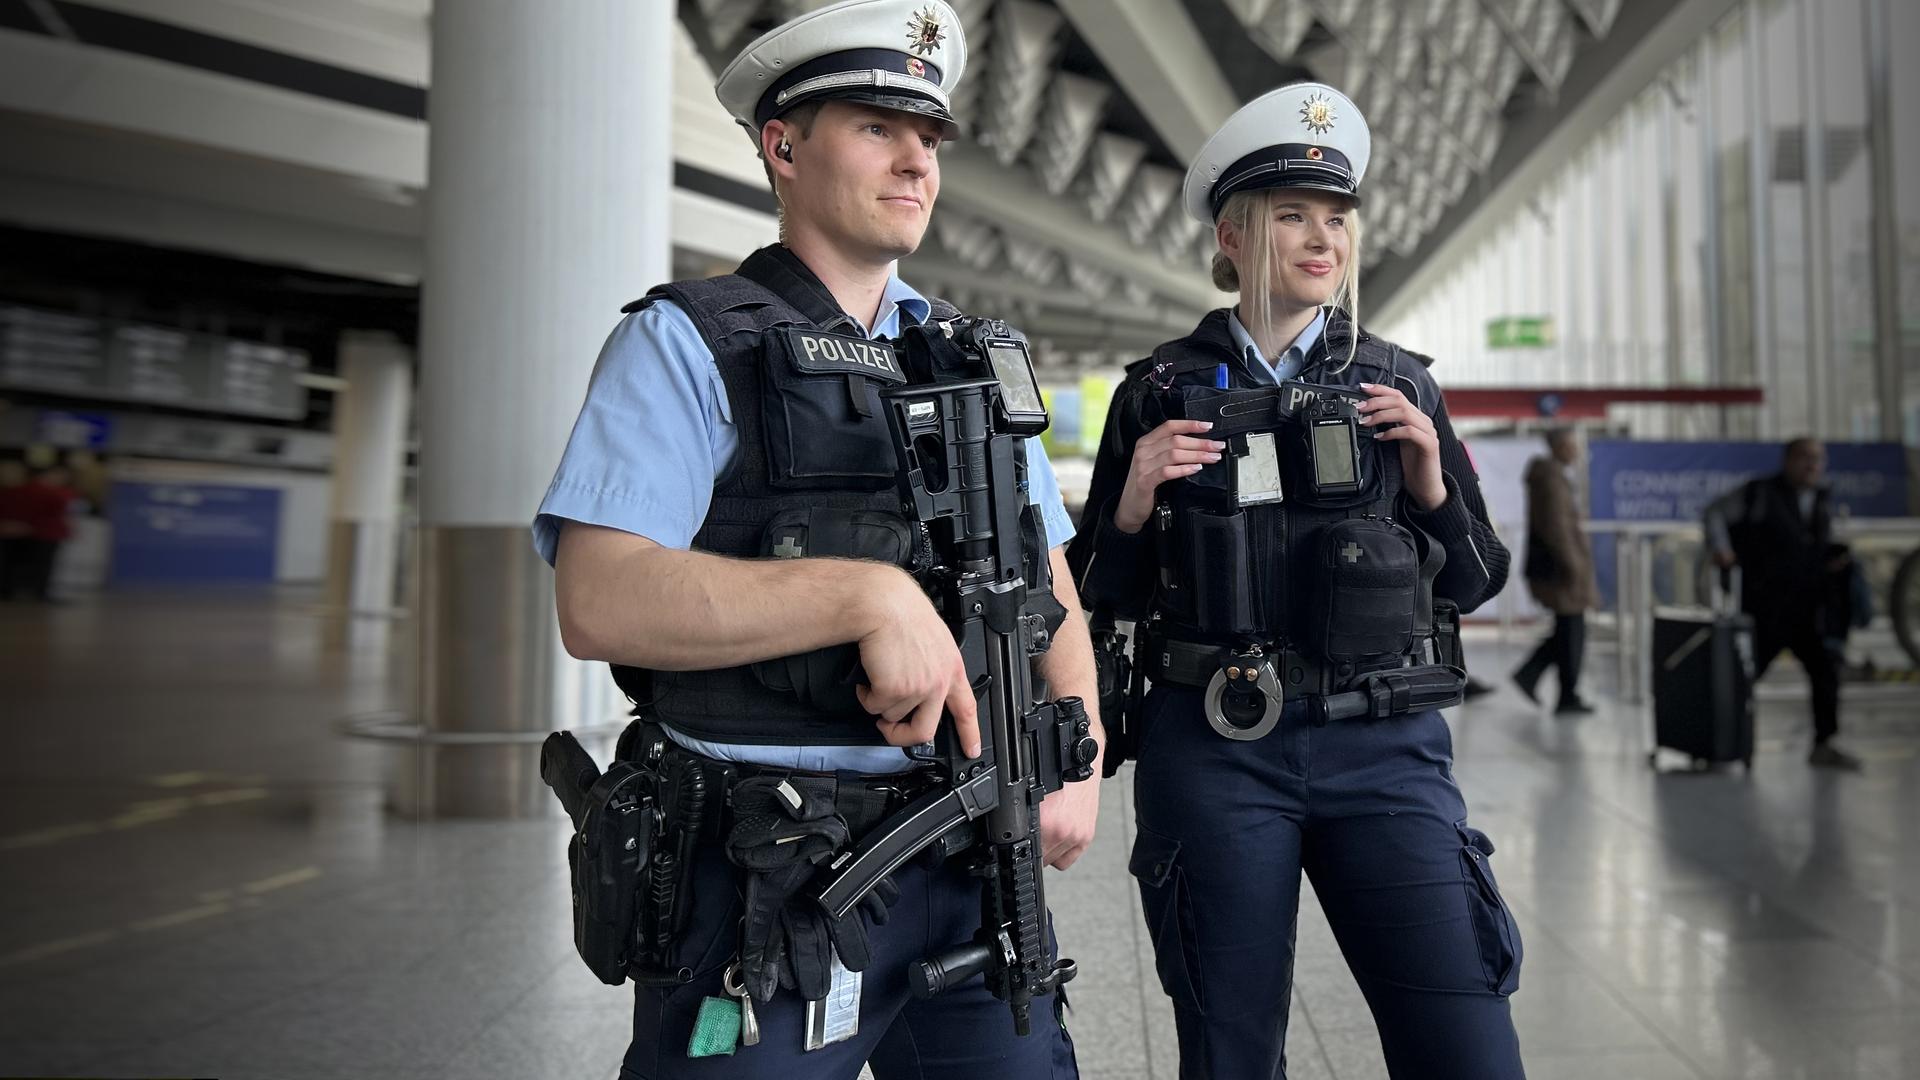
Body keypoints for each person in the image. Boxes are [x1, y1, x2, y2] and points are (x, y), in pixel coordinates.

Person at [533, 2, 1098, 1075]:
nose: (916, 162)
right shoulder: (688, 343)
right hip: (770, 876)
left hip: (975, 861)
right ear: (782, 147)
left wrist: (1083, 750)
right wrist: (868, 596)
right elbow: (598, 599)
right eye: (880, 128)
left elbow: (1047, 579)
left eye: (928, 139)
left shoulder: (971, 362)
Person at [1068, 84, 1525, 1079]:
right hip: (1215, 745)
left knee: (1466, 1042)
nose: (1323, 240)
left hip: (1384, 744)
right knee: (1229, 1048)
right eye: (1292, 219)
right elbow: (1095, 589)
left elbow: (1481, 579)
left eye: (1336, 220)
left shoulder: (1398, 384)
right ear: (1229, 237)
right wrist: (1137, 494)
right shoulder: (1158, 389)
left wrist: (1432, 485)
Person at [1705, 438, 1859, 770]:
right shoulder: (1758, 493)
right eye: (1804, 458)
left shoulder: (1822, 499)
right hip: (1766, 607)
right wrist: (1721, 548)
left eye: (1818, 459)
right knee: (1743, 678)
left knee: (1825, 672)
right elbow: (1714, 512)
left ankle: (1824, 744)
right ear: (1787, 460)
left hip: (1809, 608)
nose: (1812, 465)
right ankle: (1727, 744)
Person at [1513, 428, 1597, 714]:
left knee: (1568, 630)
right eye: (1572, 444)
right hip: (1559, 568)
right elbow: (1556, 527)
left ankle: (1535, 677)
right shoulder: (1550, 478)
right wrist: (1573, 565)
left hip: (1558, 565)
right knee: (1572, 630)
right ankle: (1565, 694)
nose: (1575, 451)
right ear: (1560, 446)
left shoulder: (1553, 476)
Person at [2, 464, 77, 602]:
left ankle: (9, 590)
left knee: (13, 564)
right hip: (46, 533)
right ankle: (39, 591)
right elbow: (62, 512)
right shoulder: (54, 493)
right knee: (43, 565)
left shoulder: (14, 490)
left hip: (18, 532)